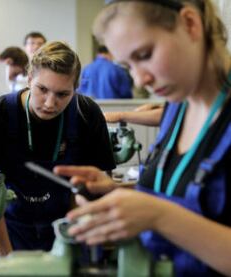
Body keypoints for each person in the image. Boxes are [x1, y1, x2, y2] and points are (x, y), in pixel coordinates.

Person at [54, 0, 231, 276]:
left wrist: (157, 215)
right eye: (127, 65)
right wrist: (117, 194)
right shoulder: (176, 108)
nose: (140, 80)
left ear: (190, 24)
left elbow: (166, 214)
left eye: (145, 54)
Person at [0, 41, 115, 264]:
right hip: (7, 228)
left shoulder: (86, 115)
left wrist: (70, 238)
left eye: (62, 94)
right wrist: (8, 263)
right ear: (29, 79)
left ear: (75, 88)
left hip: (66, 226)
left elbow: (92, 187)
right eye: (42, 89)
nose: (50, 103)